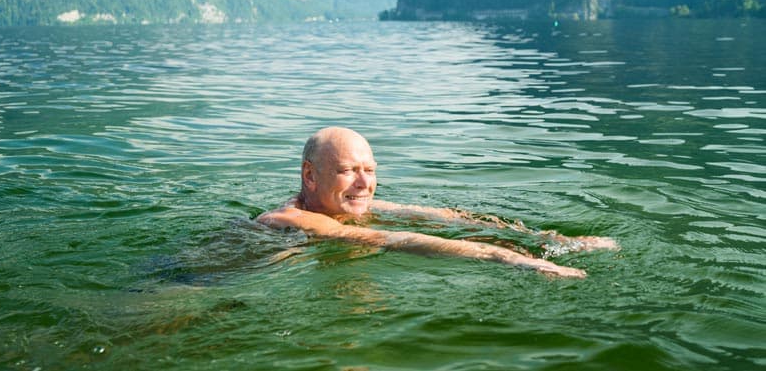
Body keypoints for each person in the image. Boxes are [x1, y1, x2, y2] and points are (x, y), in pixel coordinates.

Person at [257, 127, 618, 279]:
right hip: (216, 283)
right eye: (349, 171)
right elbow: (389, 240)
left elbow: (441, 217)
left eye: (370, 170)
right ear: (310, 176)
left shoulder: (338, 206)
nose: (366, 184)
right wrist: (507, 258)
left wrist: (551, 240)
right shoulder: (297, 219)